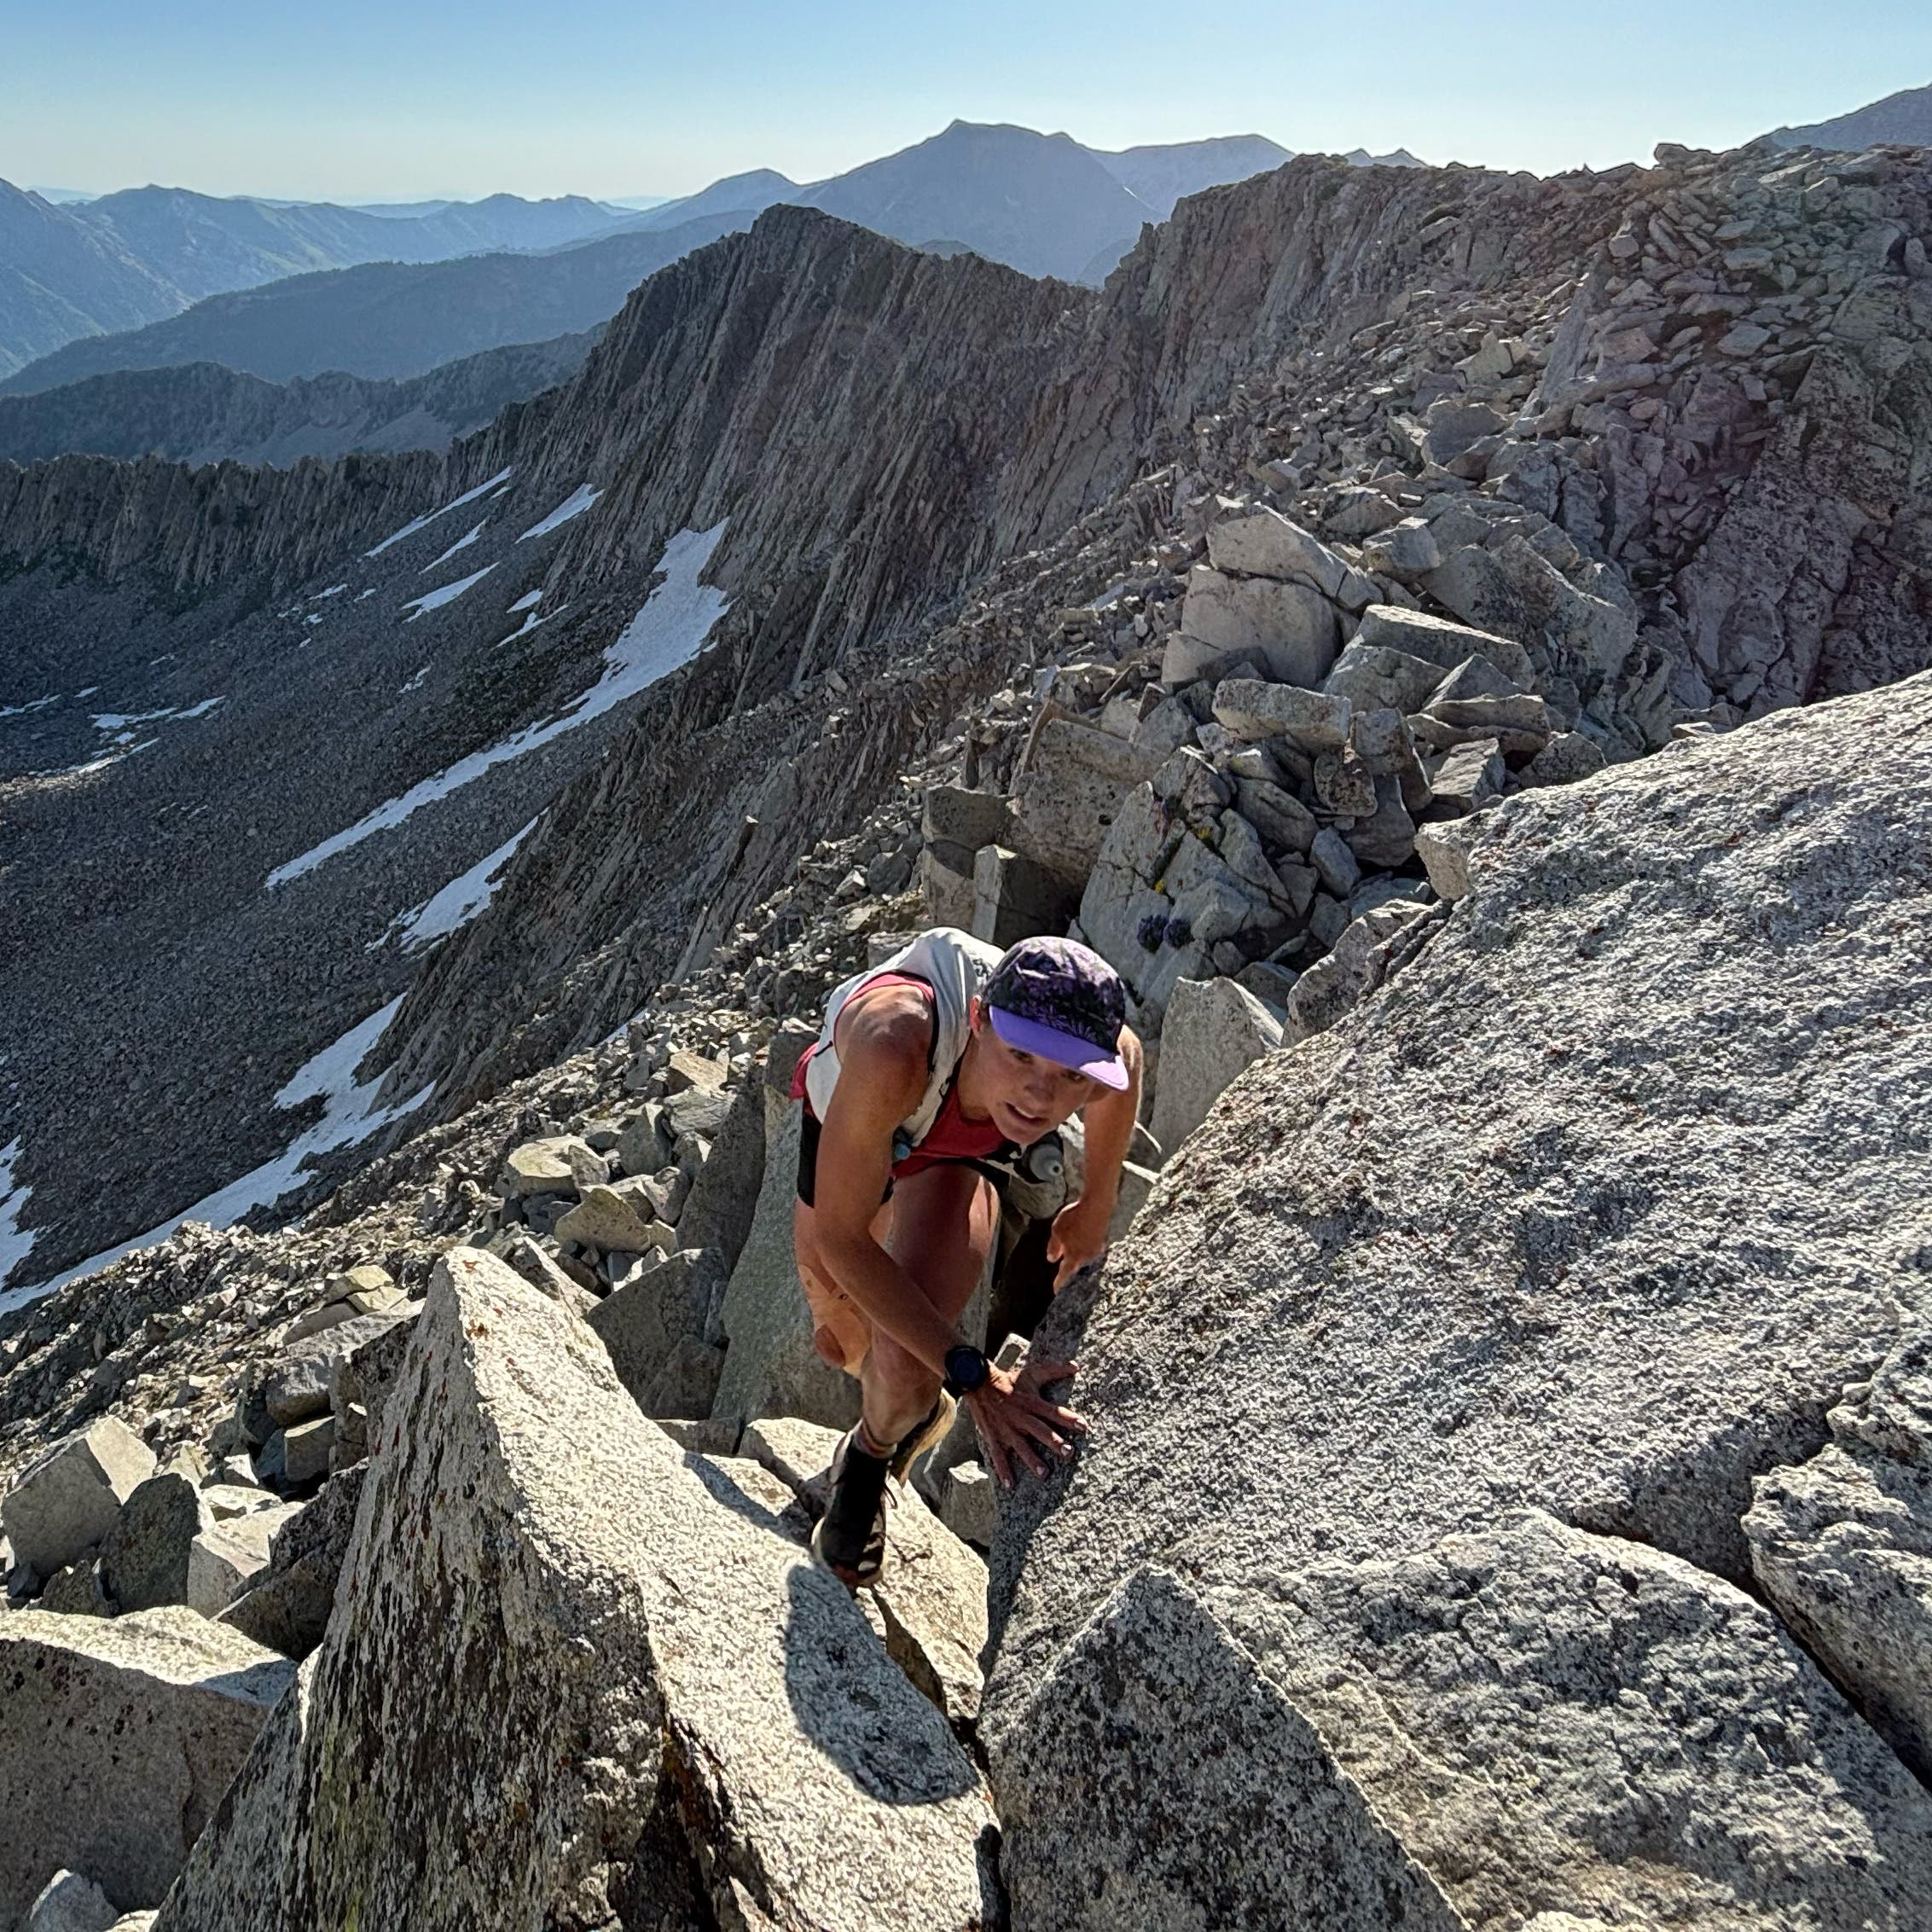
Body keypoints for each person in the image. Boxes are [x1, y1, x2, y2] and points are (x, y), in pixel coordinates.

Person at [789, 927, 1142, 1587]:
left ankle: (869, 1452)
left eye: (1068, 1075)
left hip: (958, 1150)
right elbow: (843, 1238)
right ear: (978, 1019)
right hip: (873, 1110)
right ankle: (910, 1400)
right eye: (1022, 1058)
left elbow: (1126, 1065)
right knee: (842, 1340)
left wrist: (1095, 1203)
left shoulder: (1095, 1051)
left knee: (906, 1370)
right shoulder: (894, 1043)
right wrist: (976, 1377)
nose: (1040, 1098)